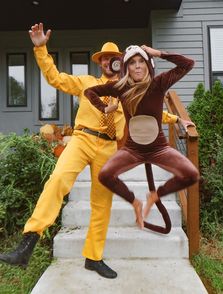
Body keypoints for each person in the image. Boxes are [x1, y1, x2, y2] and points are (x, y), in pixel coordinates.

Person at [0, 24, 184, 278]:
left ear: (122, 62)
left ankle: (93, 258)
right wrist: (41, 48)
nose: (109, 62)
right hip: (82, 139)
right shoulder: (87, 83)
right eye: (104, 59)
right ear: (100, 63)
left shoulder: (127, 91)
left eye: (114, 59)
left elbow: (153, 113)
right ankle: (29, 241)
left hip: (108, 147)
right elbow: (55, 77)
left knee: (102, 205)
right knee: (58, 180)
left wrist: (178, 120)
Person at [84, 45, 200, 228]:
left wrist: (159, 53)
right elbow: (89, 92)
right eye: (132, 62)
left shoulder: (159, 83)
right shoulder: (121, 88)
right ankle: (135, 202)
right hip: (133, 150)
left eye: (141, 61)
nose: (137, 66)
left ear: (148, 65)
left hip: (159, 149)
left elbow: (188, 64)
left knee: (191, 174)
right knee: (105, 175)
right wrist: (104, 108)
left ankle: (155, 195)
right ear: (126, 67)